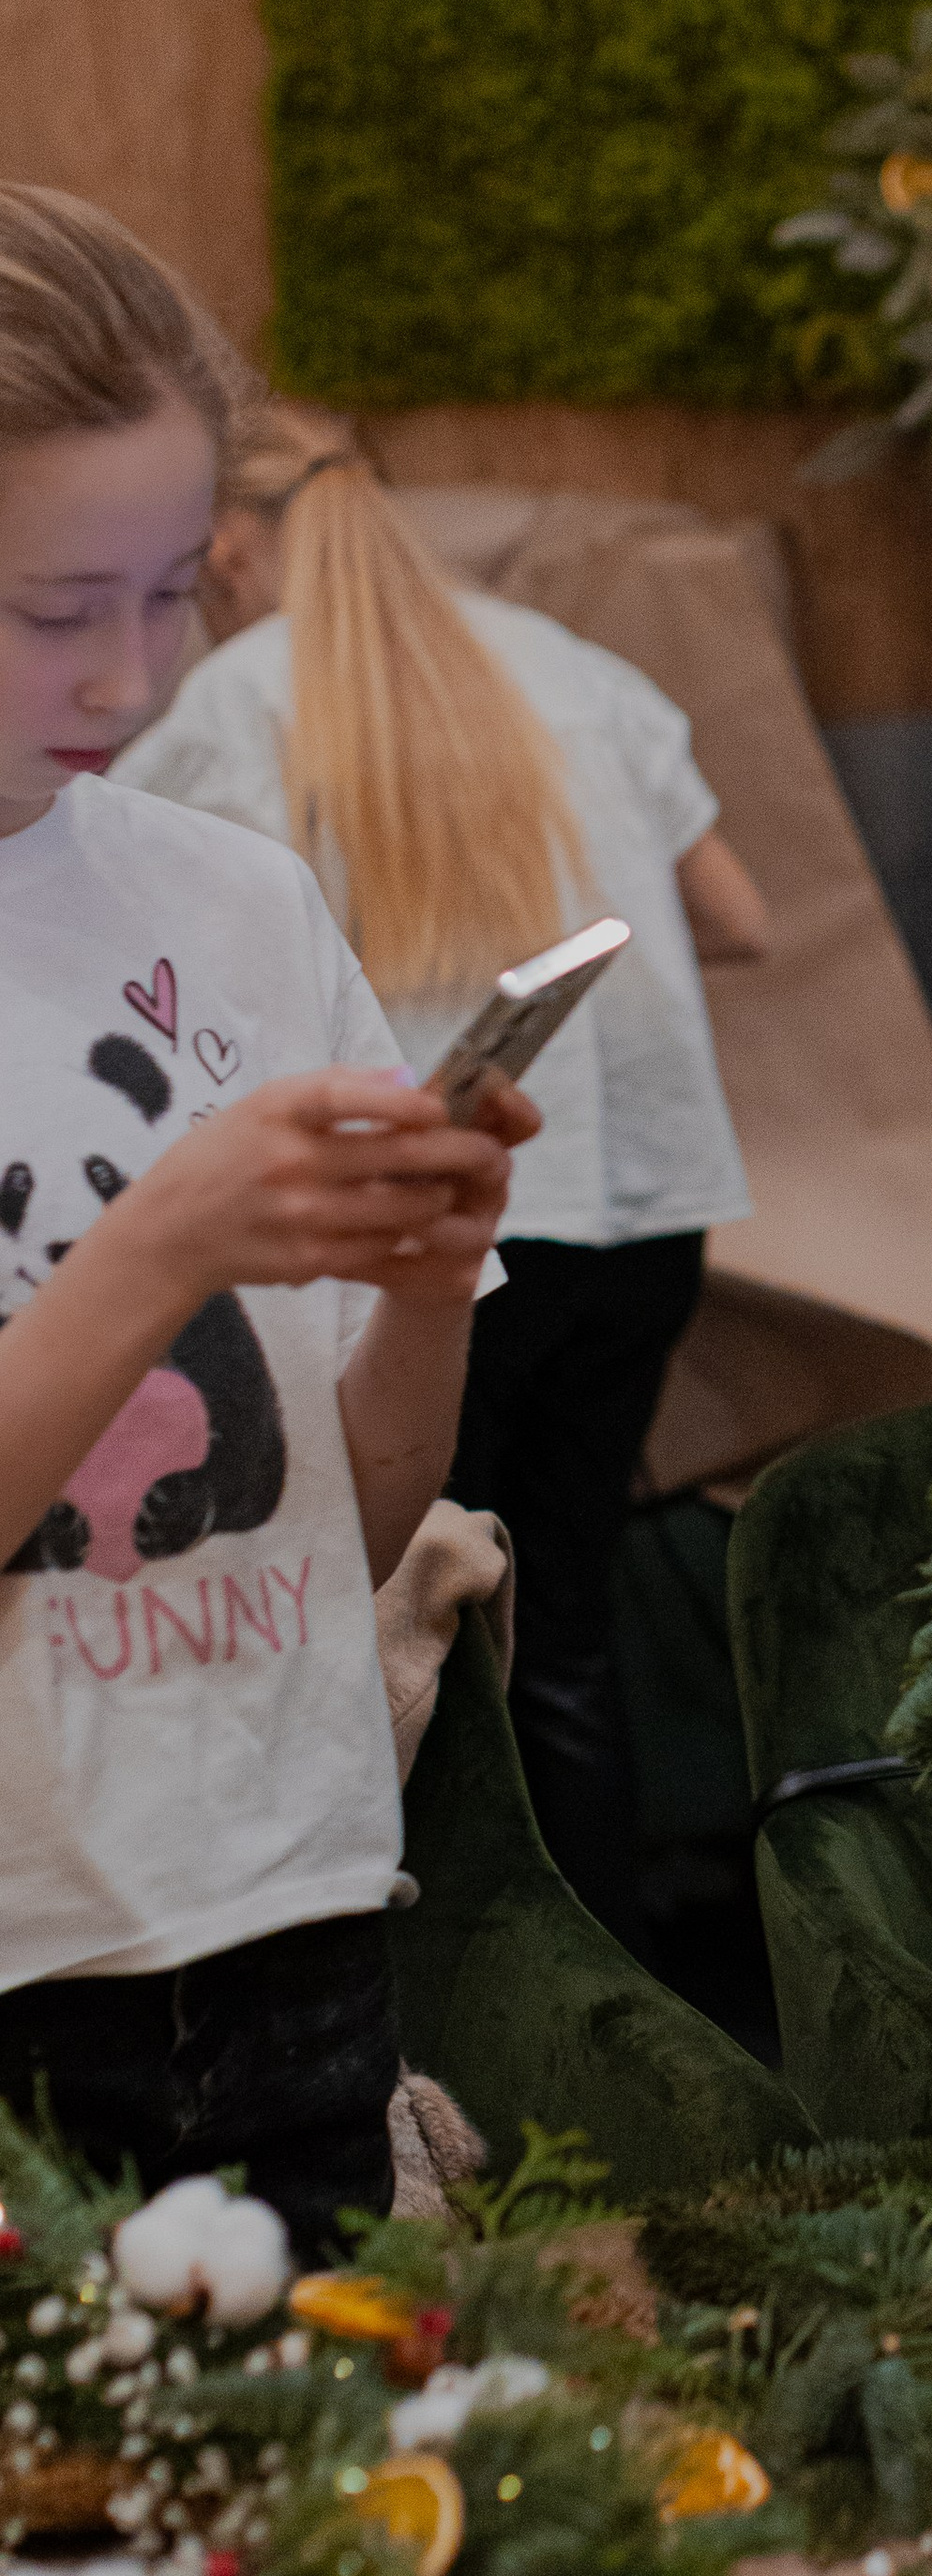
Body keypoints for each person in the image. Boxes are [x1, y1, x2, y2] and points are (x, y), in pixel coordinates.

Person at [0, 187, 534, 2251]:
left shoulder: (229, 901)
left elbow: (357, 1528)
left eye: (177, 587)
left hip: (291, 1903)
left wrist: (425, 1281)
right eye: (55, 607)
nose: (131, 674)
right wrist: (171, 1236)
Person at [116, 406, 767, 1945]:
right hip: (640, 1212)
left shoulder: (233, 703)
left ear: (226, 551)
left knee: (418, 1633)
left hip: (437, 1249)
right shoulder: (575, 667)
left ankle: (449, 2014)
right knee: (569, 1635)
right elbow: (733, 915)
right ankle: (615, 2025)